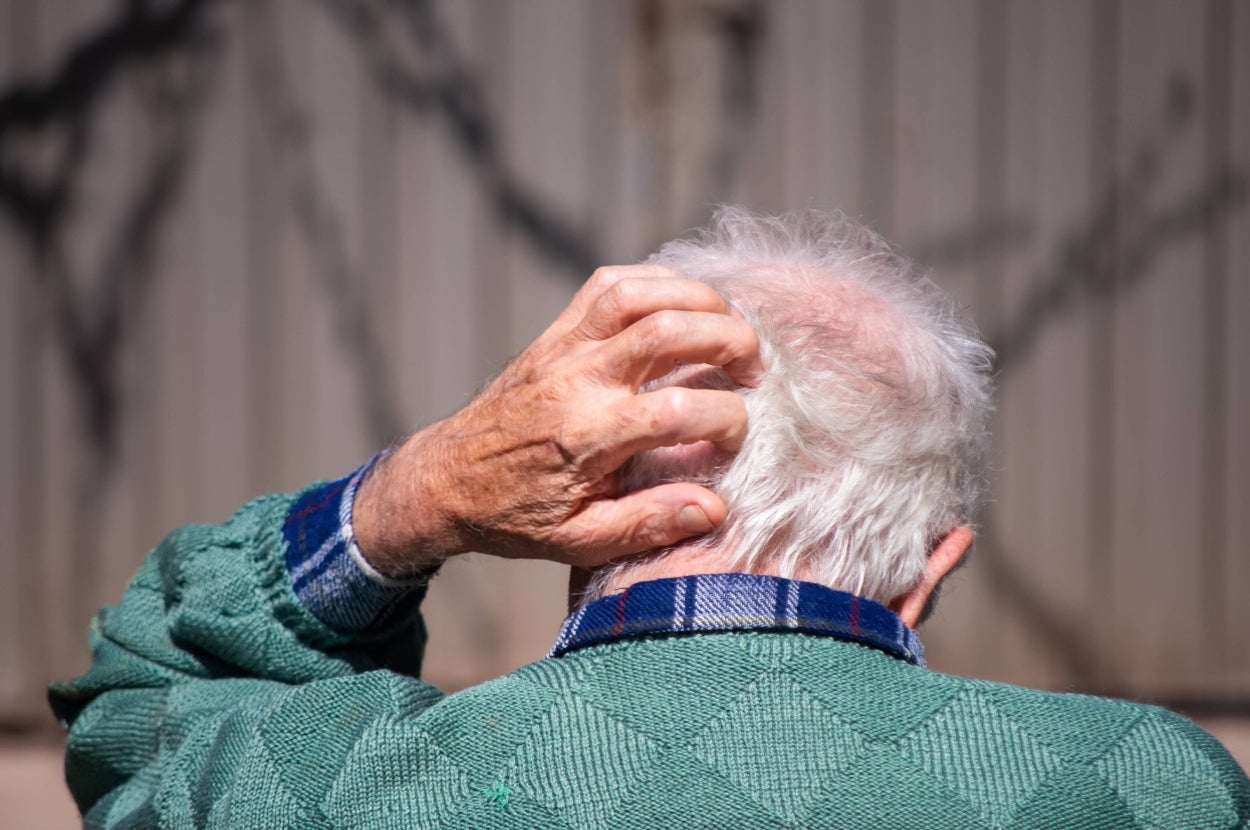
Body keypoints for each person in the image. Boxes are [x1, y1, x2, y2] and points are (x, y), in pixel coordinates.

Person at [52, 209, 1248, 828]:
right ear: (931, 566)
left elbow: (138, 712)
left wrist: (408, 495)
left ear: (577, 499)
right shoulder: (1147, 787)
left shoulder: (329, 789)